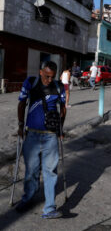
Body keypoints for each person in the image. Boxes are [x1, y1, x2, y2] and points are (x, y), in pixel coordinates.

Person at [17, 61, 66, 219]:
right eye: (46, 76)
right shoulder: (31, 83)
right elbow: (21, 104)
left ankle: (49, 209)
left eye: (52, 77)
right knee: (31, 171)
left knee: (50, 172)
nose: (49, 80)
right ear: (40, 72)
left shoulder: (59, 87)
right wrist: (20, 125)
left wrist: (60, 129)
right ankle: (28, 198)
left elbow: (63, 108)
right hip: (31, 134)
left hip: (50, 136)